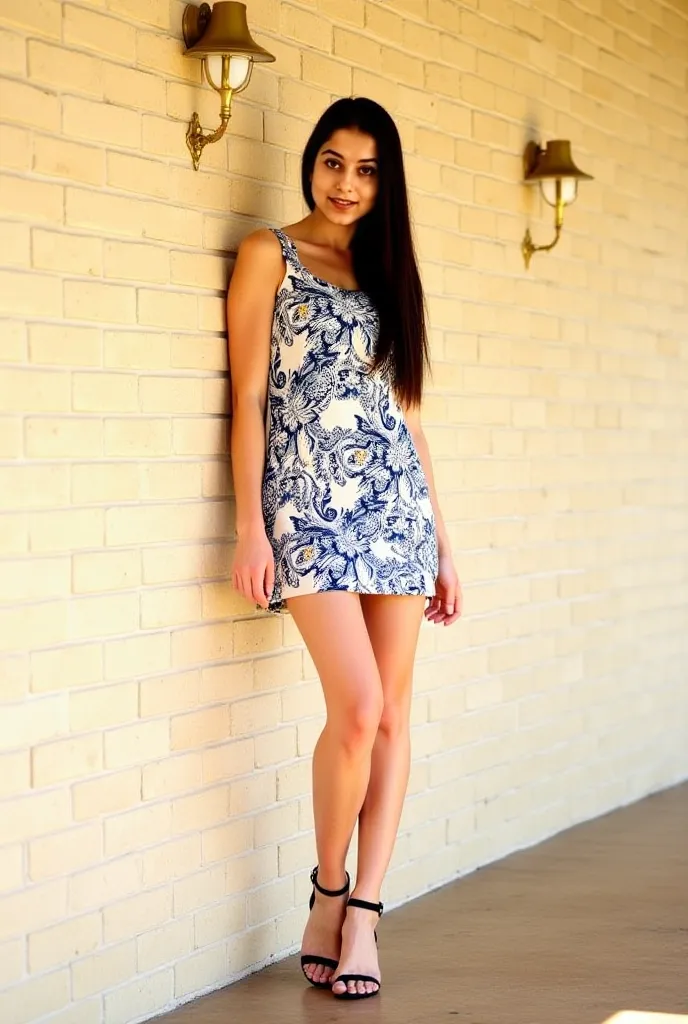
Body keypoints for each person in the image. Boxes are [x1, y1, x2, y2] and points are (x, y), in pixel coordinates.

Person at [227, 97, 462, 1001]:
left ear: (385, 180)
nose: (346, 184)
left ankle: (364, 912)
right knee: (358, 708)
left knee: (395, 715)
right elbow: (249, 399)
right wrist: (252, 525)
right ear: (312, 163)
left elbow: (406, 418)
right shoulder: (269, 256)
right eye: (333, 162)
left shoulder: (388, 272)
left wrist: (444, 539)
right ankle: (328, 887)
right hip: (309, 513)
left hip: (396, 513)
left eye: (366, 169)